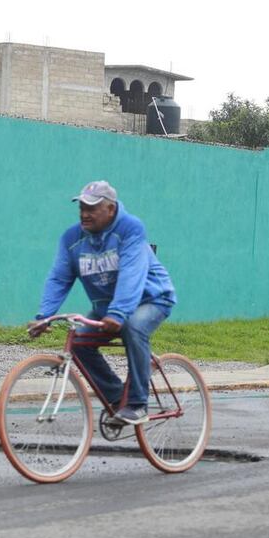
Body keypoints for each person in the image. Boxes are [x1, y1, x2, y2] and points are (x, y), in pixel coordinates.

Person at [30, 180, 177, 425]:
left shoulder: (131, 229)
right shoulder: (72, 238)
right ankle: (118, 397)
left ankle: (137, 404)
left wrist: (119, 313)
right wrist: (44, 315)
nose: (84, 214)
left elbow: (131, 273)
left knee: (133, 327)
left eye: (92, 208)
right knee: (78, 343)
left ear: (110, 209)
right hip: (108, 309)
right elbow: (59, 277)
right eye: (82, 208)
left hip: (152, 298)